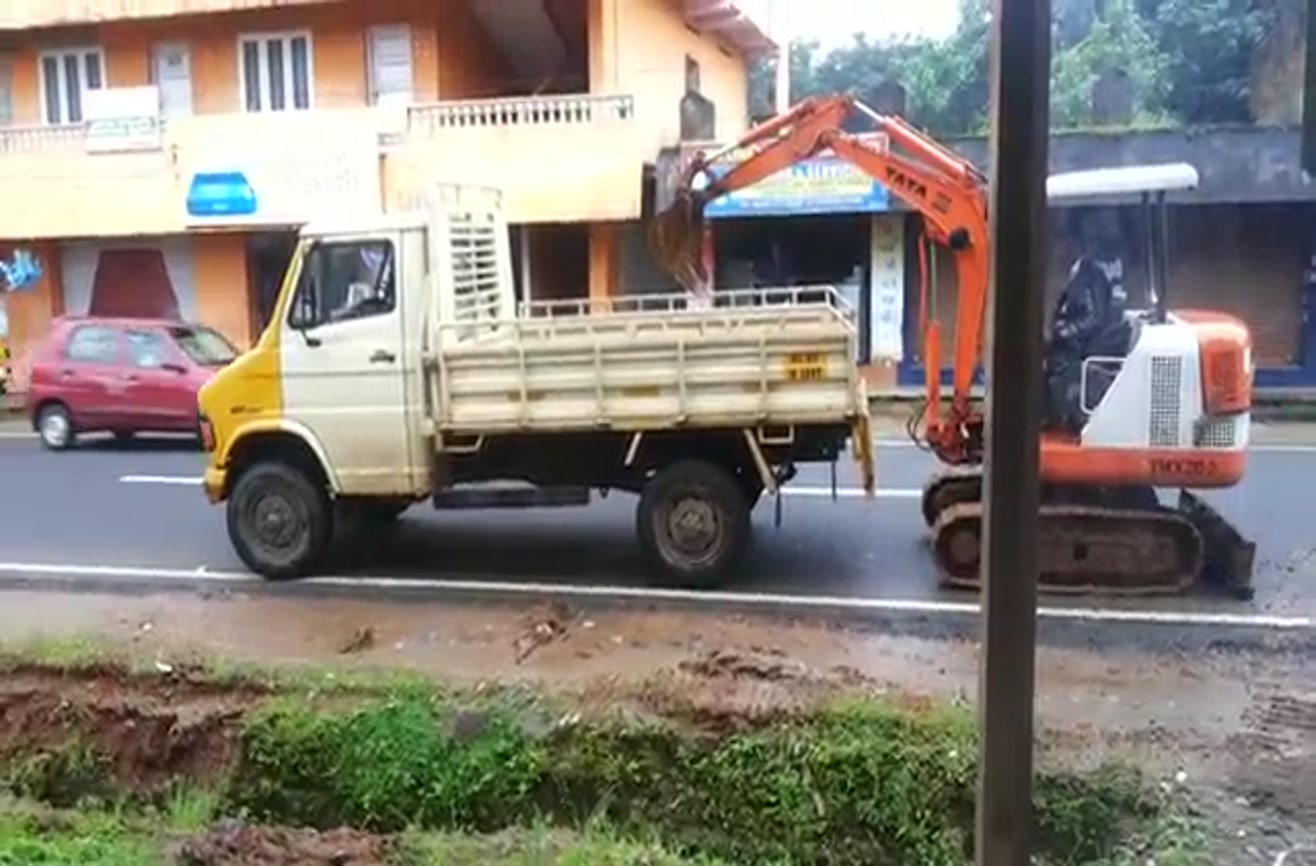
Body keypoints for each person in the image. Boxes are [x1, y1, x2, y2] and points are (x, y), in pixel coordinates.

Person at [1044, 213, 1129, 433]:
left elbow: (1094, 318)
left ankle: (1052, 415)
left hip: (1086, 347)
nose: (1058, 247)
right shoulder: (1076, 273)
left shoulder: (1089, 275)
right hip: (1080, 342)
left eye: (1062, 240)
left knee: (1052, 362)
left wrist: (1062, 333)